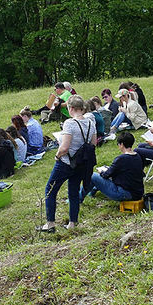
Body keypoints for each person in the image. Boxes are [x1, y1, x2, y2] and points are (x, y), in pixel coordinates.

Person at [39, 95, 97, 232]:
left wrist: (57, 155)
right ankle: (72, 223)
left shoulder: (70, 123)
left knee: (50, 189)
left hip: (66, 162)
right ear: (82, 108)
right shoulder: (90, 122)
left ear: (71, 108)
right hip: (81, 163)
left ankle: (50, 223)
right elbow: (94, 143)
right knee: (74, 191)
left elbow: (64, 148)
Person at [85, 131, 145, 202]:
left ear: (121, 144)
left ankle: (78, 197)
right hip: (138, 193)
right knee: (104, 175)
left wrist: (101, 172)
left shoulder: (121, 159)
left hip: (124, 193)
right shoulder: (138, 156)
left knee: (93, 176)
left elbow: (106, 175)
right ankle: (91, 192)